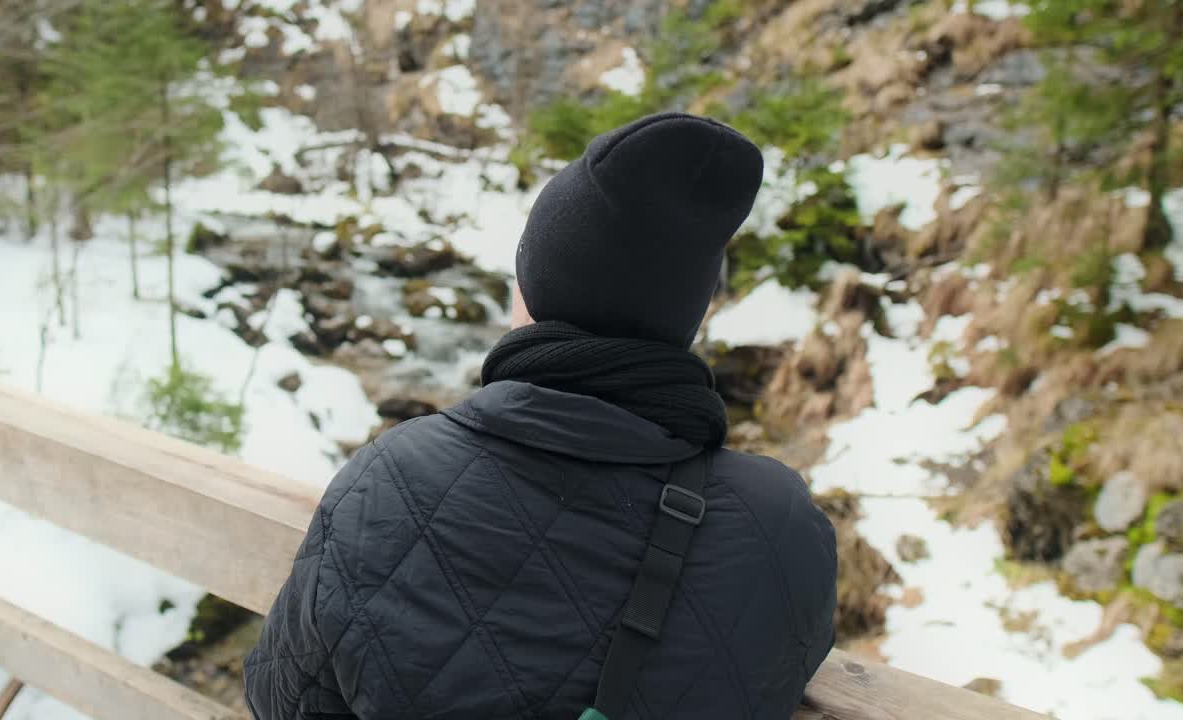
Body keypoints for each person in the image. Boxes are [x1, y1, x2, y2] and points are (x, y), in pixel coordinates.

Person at [244, 112, 837, 720]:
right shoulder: (782, 525)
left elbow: (280, 702)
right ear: (686, 316)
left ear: (532, 288)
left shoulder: (388, 479)